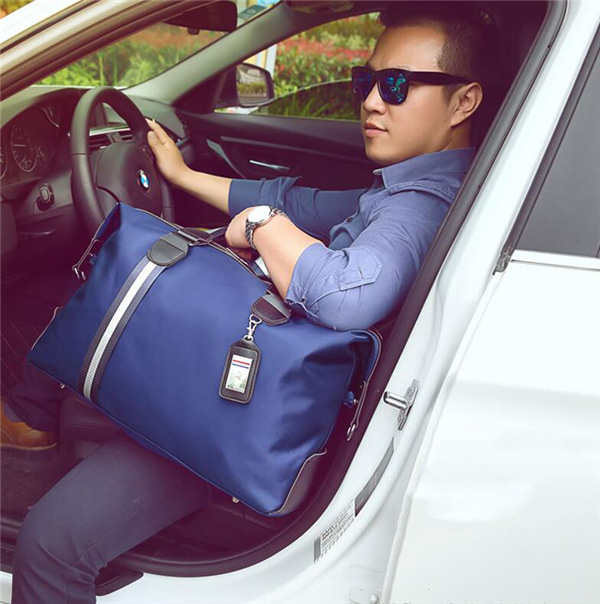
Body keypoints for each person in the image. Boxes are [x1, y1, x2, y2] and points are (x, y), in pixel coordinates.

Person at [1, 3, 498, 602]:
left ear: (464, 101)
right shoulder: (410, 185)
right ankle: (29, 422)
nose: (371, 102)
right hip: (251, 376)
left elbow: (345, 297)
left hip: (245, 412)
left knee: (49, 547)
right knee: (97, 290)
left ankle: (27, 423)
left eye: (396, 85)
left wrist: (262, 224)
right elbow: (297, 200)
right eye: (366, 81)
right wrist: (183, 176)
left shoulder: (420, 204)